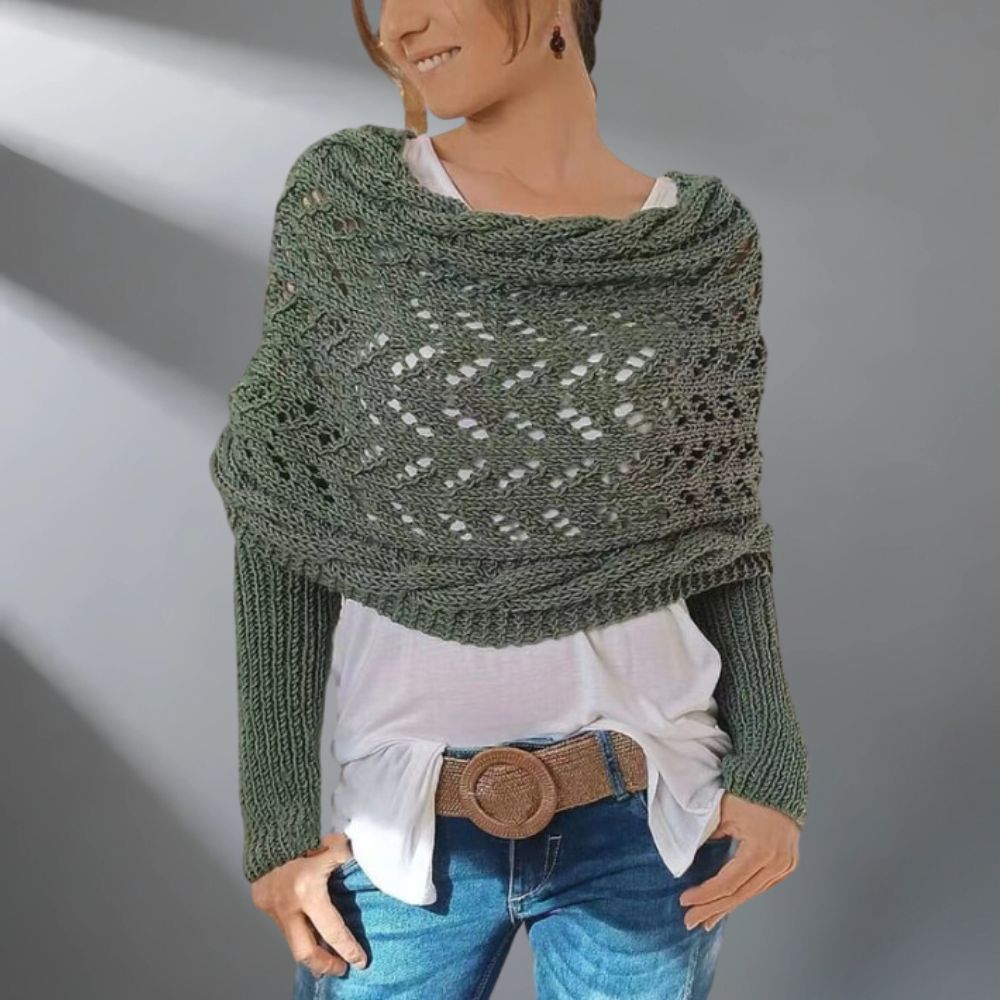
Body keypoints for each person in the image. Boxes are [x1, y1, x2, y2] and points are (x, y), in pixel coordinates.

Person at [208, 2, 808, 997]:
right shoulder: (349, 209)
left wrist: (774, 771)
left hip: (649, 810)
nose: (400, 27)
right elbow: (282, 514)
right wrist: (275, 831)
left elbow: (721, 537)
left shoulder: (701, 245)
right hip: (404, 823)